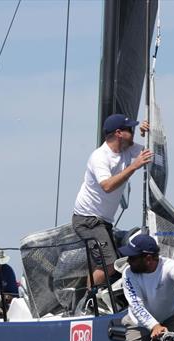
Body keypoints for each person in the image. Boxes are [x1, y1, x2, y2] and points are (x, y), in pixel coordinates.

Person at [72, 114, 152, 288]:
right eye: (130, 129)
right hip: (88, 219)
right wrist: (133, 166)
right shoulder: (99, 157)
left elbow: (149, 153)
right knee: (108, 265)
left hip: (103, 221)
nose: (133, 132)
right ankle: (88, 303)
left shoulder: (126, 149)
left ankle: (99, 299)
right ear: (119, 133)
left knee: (112, 262)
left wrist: (147, 134)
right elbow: (107, 186)